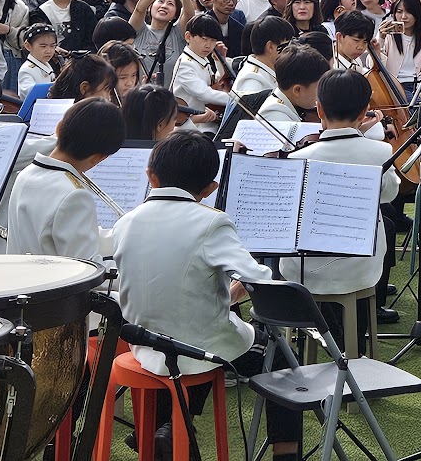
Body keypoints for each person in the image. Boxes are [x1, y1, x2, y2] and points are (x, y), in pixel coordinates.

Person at [112, 131, 302, 461]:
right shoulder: (212, 222)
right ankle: (286, 452)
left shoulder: (126, 221)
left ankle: (167, 427)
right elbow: (258, 278)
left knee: (189, 339)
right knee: (276, 353)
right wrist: (234, 292)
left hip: (143, 344)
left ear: (150, 176)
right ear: (209, 189)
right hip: (195, 346)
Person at [281, 70, 399, 332]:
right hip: (361, 267)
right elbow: (389, 194)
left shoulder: (297, 158)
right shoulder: (380, 151)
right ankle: (353, 341)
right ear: (364, 112)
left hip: (302, 269)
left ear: (319, 110)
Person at [7, 98, 126, 268]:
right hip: (53, 291)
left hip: (23, 285)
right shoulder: (74, 195)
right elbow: (87, 270)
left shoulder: (25, 174)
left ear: (58, 128)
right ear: (98, 158)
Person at [128, 0, 192, 85]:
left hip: (169, 97)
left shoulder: (178, 33)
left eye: (170, 4)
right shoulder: (140, 30)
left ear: (175, 15)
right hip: (141, 95)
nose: (164, 6)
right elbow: (139, 9)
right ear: (150, 7)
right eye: (161, 2)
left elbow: (189, 14)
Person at [174, 14, 229, 130]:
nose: (209, 45)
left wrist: (221, 60)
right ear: (188, 37)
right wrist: (234, 100)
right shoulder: (185, 64)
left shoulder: (202, 58)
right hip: (190, 126)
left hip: (205, 122)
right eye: (204, 39)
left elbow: (218, 82)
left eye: (213, 40)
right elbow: (204, 93)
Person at [379, 0, 421, 99]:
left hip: (416, 86)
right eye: (399, 12)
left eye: (409, 12)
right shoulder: (388, 34)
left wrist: (419, 92)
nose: (403, 17)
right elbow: (374, 63)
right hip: (391, 84)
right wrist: (381, 38)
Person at [232, 15, 295, 99]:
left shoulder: (268, 70)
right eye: (287, 46)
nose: (290, 50)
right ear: (270, 47)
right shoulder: (253, 81)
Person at [15, 23, 58, 93]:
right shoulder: (27, 70)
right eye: (43, 46)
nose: (49, 51)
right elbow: (30, 92)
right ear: (28, 46)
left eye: (52, 46)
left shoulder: (46, 64)